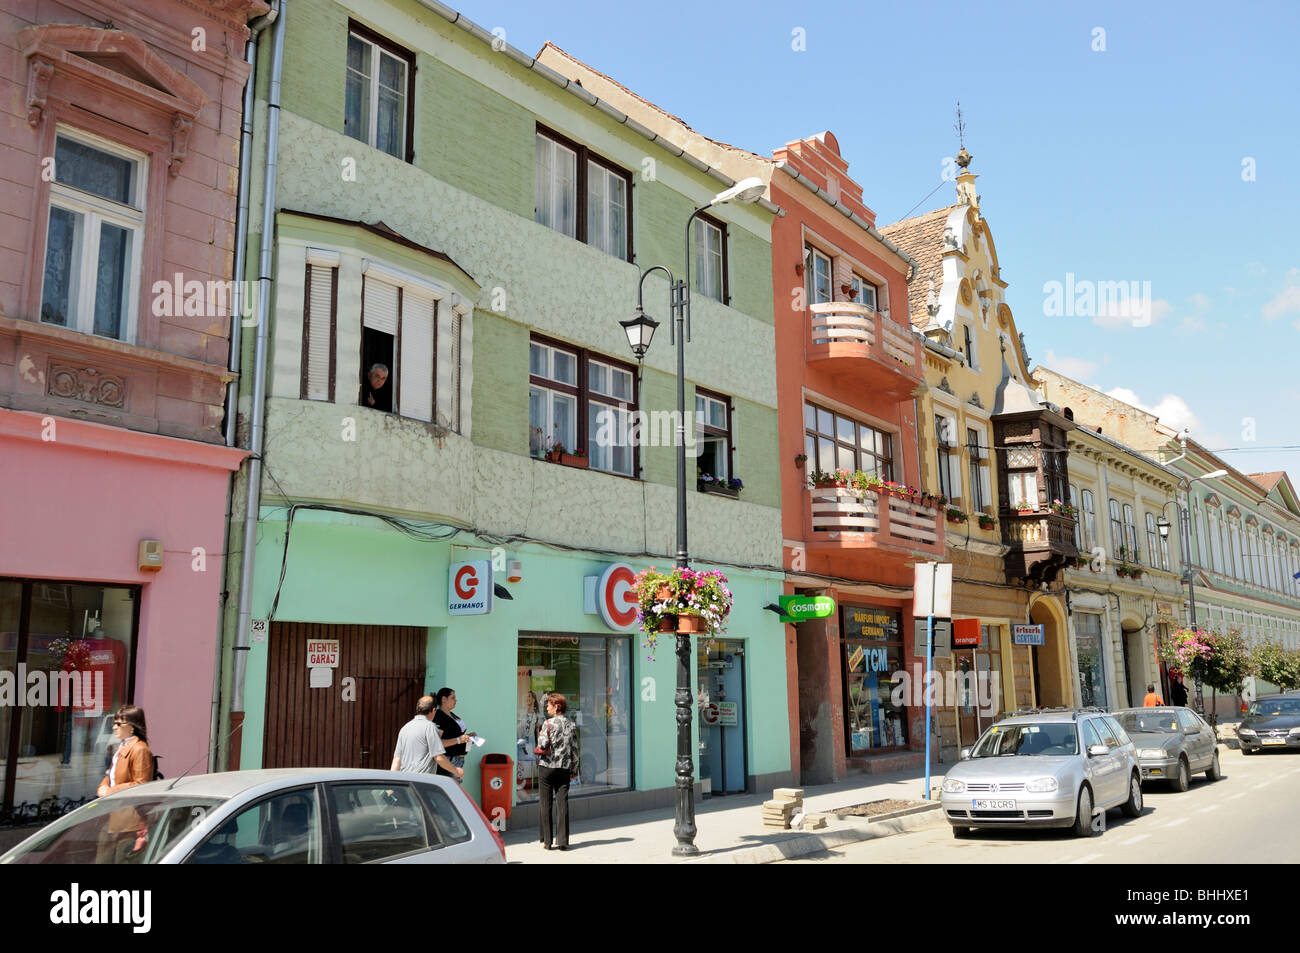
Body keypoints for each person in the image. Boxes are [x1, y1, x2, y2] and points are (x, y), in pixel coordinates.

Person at [94, 705, 155, 863]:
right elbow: (111, 774)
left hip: (129, 823)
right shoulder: (122, 747)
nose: (114, 727)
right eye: (114, 723)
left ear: (132, 726)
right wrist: (103, 785)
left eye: (119, 724)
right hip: (114, 818)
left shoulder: (139, 749)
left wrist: (111, 790)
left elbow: (141, 784)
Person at [536, 692, 579, 851]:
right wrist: (574, 769)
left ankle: (547, 841)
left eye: (549, 705)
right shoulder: (571, 724)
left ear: (557, 707)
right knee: (562, 804)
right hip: (564, 768)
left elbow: (542, 745)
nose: (547, 708)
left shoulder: (547, 724)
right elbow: (575, 749)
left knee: (545, 803)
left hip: (547, 768)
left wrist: (540, 734)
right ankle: (563, 841)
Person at [390, 695, 463, 779]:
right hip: (422, 782)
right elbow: (438, 757)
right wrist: (456, 771)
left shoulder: (405, 728)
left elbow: (397, 760)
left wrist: (392, 783)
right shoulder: (430, 727)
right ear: (433, 710)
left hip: (406, 782)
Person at [432, 687, 476, 781]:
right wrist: (459, 740)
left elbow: (457, 735)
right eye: (453, 698)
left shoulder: (452, 715)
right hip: (449, 760)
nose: (456, 700)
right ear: (444, 699)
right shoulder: (440, 717)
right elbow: (437, 743)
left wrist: (468, 737)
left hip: (458, 759)